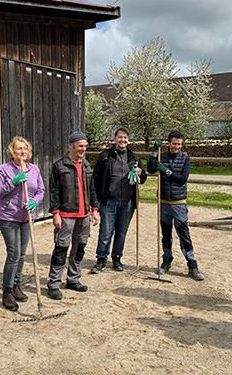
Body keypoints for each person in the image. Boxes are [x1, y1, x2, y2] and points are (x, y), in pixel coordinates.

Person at [0, 136, 45, 311]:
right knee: (13, 253)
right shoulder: (4, 169)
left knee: (22, 254)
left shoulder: (34, 169)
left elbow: (41, 190)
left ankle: (16, 285)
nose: (22, 152)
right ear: (12, 151)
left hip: (26, 217)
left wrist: (35, 202)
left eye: (25, 149)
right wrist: (13, 182)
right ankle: (6, 291)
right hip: (9, 217)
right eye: (18, 149)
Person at [47, 131, 100, 300]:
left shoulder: (86, 166)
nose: (83, 149)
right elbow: (54, 191)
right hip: (66, 215)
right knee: (61, 248)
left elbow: (92, 189)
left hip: (84, 216)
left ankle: (73, 279)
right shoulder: (59, 166)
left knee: (80, 248)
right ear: (71, 146)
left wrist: (95, 210)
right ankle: (54, 283)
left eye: (85, 146)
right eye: (80, 146)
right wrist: (55, 213)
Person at [147, 131, 204, 281]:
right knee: (166, 234)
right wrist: (154, 151)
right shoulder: (162, 155)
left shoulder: (185, 158)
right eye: (174, 144)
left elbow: (182, 179)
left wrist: (166, 171)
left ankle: (192, 265)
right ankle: (166, 260)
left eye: (179, 144)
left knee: (184, 234)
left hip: (178, 202)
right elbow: (151, 169)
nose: (177, 147)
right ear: (169, 143)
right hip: (164, 201)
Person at [90, 127, 147, 273]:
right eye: (120, 137)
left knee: (121, 232)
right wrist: (96, 201)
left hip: (128, 202)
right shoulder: (105, 156)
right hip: (109, 201)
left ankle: (117, 258)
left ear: (128, 140)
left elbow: (143, 179)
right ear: (114, 139)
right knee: (106, 231)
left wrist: (140, 173)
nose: (123, 140)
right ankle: (101, 259)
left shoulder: (134, 158)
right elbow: (96, 178)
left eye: (125, 138)